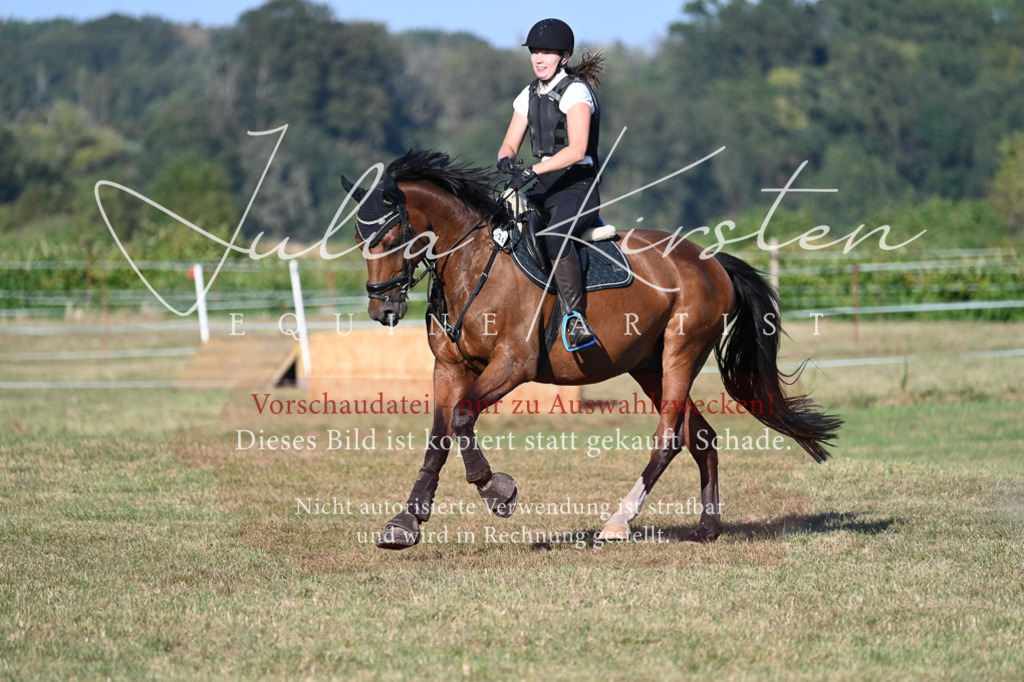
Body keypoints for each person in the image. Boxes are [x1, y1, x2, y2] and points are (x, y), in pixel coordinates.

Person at [498, 18, 605, 351]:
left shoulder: (576, 92)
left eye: (546, 52)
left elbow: (577, 150)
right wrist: (506, 159)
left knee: (555, 235)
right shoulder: (528, 94)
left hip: (577, 186)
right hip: (542, 186)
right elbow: (509, 143)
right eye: (535, 52)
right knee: (500, 229)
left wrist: (532, 170)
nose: (538, 58)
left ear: (564, 56)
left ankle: (575, 319)